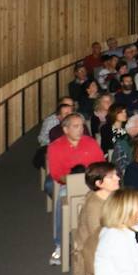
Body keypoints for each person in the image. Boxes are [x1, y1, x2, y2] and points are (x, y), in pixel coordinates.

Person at [46, 112, 106, 265]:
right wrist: (75, 180)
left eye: (82, 126)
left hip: (93, 185)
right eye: (76, 126)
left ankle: (106, 240)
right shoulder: (55, 147)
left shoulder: (90, 142)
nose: (80, 129)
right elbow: (56, 174)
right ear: (66, 130)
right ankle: (60, 244)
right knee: (62, 200)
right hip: (69, 186)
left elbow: (101, 166)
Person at [74, 162, 120, 275]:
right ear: (99, 184)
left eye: (116, 174)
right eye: (111, 177)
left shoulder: (112, 196)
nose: (118, 178)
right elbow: (99, 241)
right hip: (96, 255)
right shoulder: (94, 207)